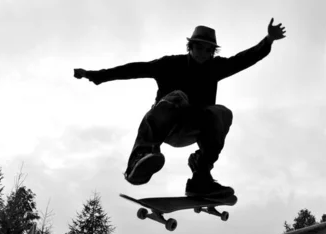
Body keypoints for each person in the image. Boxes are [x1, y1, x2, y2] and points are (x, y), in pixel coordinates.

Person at [74, 19, 286, 199]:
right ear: (190, 46)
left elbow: (242, 60)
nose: (204, 54)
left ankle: (201, 178)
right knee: (178, 96)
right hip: (163, 126)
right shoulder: (169, 64)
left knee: (222, 113)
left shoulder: (215, 68)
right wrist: (95, 75)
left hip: (190, 131)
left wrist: (268, 40)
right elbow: (135, 69)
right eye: (200, 47)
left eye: (209, 50)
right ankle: (141, 155)